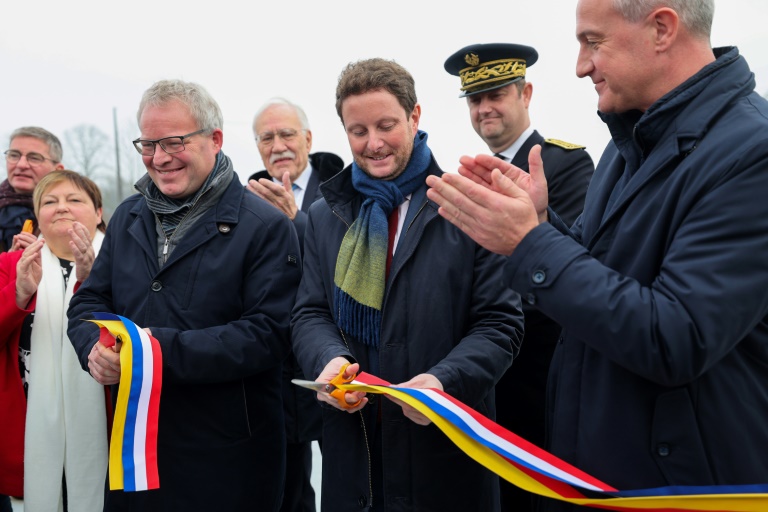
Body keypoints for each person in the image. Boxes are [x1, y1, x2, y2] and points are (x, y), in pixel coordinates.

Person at [426, 0, 768, 510]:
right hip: (603, 476)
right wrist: (543, 222)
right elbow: (599, 267)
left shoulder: (751, 152)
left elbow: (677, 338)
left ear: (661, 28)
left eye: (593, 42)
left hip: (683, 487)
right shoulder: (630, 142)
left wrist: (530, 242)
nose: (581, 66)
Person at [291, 57, 524, 512]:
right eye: (358, 131)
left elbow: (500, 324)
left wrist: (444, 382)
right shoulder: (325, 214)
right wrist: (328, 359)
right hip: (354, 453)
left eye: (386, 125)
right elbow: (310, 312)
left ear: (415, 117)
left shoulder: (467, 204)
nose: (373, 143)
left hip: (445, 453)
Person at [67, 79, 302, 511]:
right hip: (135, 456)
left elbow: (268, 334)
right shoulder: (128, 217)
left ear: (215, 139)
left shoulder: (266, 226)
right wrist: (95, 350)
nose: (159, 158)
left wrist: (151, 353)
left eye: (173, 142)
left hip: (228, 460)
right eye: (148, 144)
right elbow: (87, 305)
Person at [444, 43, 594, 512]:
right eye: (474, 99)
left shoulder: (566, 164)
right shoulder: (466, 178)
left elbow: (568, 266)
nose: (484, 107)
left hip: (539, 373)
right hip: (481, 378)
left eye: (496, 94)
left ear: (525, 93)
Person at [248, 97, 344, 512]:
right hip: (273, 362)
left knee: (345, 472)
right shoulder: (245, 197)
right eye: (267, 137)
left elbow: (344, 260)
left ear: (308, 138)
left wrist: (295, 219)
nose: (278, 144)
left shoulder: (343, 188)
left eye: (287, 134)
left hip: (334, 354)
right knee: (286, 485)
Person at [0, 170, 108, 512]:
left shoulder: (123, 266)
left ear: (99, 213)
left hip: (105, 431)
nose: (61, 208)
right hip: (27, 431)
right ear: (37, 215)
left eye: (74, 200)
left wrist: (93, 284)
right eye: (49, 202)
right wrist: (18, 293)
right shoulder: (10, 265)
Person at [1, 127, 65, 253]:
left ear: (58, 170)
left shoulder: (71, 216)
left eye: (34, 158)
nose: (21, 165)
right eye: (14, 155)